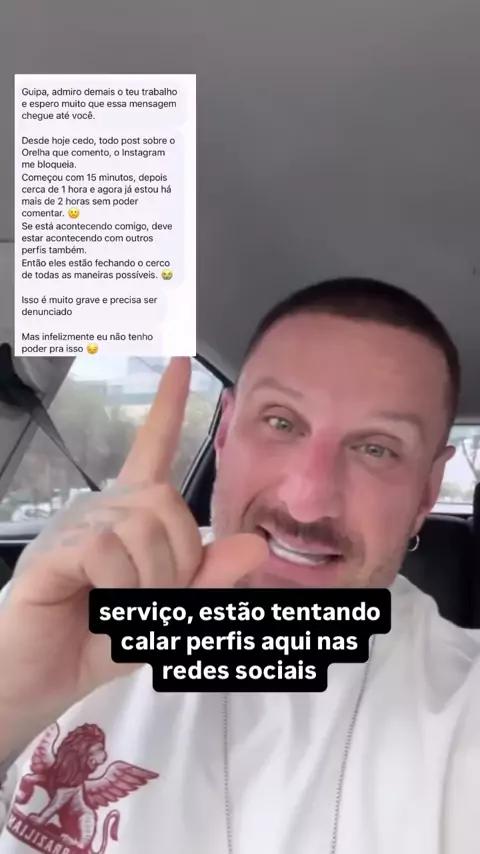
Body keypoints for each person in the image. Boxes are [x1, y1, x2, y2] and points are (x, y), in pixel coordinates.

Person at [0, 277, 477, 854]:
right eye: (281, 422)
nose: (307, 501)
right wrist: (10, 702)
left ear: (427, 489)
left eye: (377, 449)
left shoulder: (463, 709)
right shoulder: (67, 609)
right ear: (225, 431)